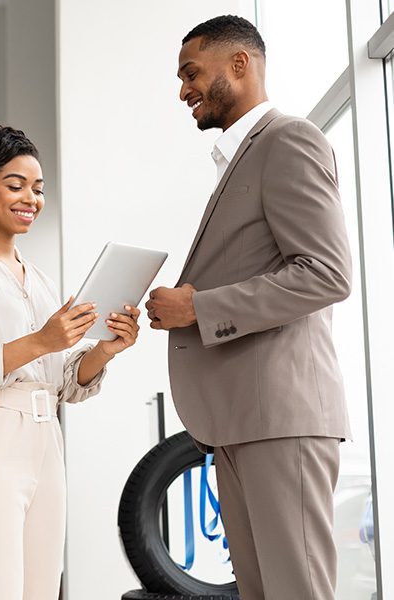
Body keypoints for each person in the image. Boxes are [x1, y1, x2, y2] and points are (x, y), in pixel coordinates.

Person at [145, 15, 352, 600]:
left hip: (281, 419)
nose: (182, 89)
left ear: (239, 64)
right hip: (243, 422)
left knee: (297, 590)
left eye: (191, 73)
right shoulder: (241, 158)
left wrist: (199, 307)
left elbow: (327, 273)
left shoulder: (289, 140)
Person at [0, 125, 140, 600]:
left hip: (43, 440)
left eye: (37, 189)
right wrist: (41, 340)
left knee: (41, 592)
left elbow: (61, 380)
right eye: (15, 185)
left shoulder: (36, 278)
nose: (31, 199)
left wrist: (104, 350)